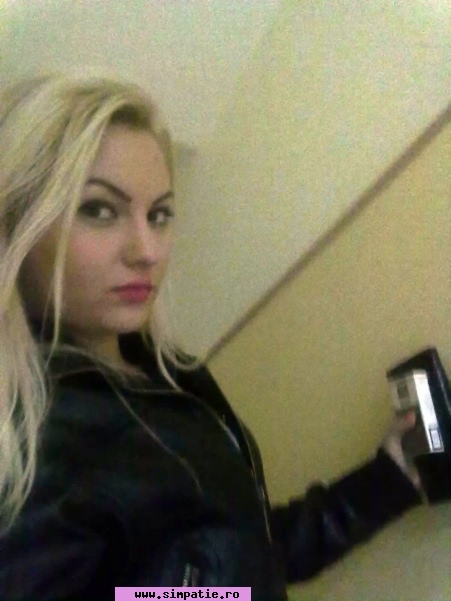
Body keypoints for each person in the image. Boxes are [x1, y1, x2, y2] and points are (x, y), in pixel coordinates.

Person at [0, 73, 423, 600]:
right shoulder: (27, 444)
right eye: (99, 210)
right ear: (16, 224)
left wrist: (389, 479)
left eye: (159, 215)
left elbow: (241, 557)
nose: (147, 251)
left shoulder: (163, 367)